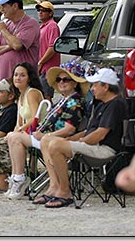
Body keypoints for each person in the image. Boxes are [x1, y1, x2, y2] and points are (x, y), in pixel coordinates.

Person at [39, 67, 126, 208]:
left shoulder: (115, 105)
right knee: (47, 140)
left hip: (104, 150)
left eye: (95, 85)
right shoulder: (101, 104)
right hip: (92, 146)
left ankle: (65, 192)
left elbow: (99, 134)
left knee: (55, 146)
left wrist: (79, 142)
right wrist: (70, 140)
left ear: (106, 86)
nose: (92, 89)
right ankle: (54, 185)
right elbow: (88, 131)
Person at [6, 61, 88, 200]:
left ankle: (20, 179)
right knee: (12, 136)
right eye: (59, 79)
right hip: (45, 138)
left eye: (66, 79)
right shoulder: (64, 100)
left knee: (15, 137)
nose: (61, 82)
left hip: (59, 140)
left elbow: (69, 129)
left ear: (75, 83)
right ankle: (17, 177)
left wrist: (46, 135)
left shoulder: (75, 102)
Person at [0, 62, 44, 193]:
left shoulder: (32, 93)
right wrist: (16, 130)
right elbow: (19, 121)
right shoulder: (20, 96)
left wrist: (19, 130)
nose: (18, 78)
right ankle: (12, 178)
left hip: (38, 132)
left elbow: (35, 117)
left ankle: (19, 177)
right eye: (16, 75)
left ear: (29, 77)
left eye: (22, 75)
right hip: (26, 132)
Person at [0, 0, 40, 82]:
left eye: (4, 6)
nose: (2, 9)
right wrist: (9, 46)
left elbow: (17, 45)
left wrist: (3, 30)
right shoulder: (7, 24)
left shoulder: (30, 24)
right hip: (2, 82)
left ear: (15, 6)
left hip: (21, 82)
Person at [36, 1, 61, 101]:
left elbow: (52, 48)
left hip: (48, 68)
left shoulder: (52, 26)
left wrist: (41, 62)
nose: (40, 12)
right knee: (41, 95)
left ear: (50, 13)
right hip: (42, 68)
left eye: (44, 10)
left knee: (46, 97)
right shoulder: (43, 26)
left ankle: (50, 115)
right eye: (39, 10)